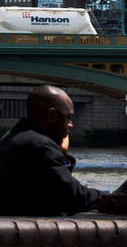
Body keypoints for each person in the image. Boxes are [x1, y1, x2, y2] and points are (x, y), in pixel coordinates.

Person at [0, 85, 101, 216]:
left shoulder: (8, 139)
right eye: (68, 118)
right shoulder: (41, 146)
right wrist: (106, 197)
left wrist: (61, 153)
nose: (71, 124)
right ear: (51, 115)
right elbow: (73, 197)